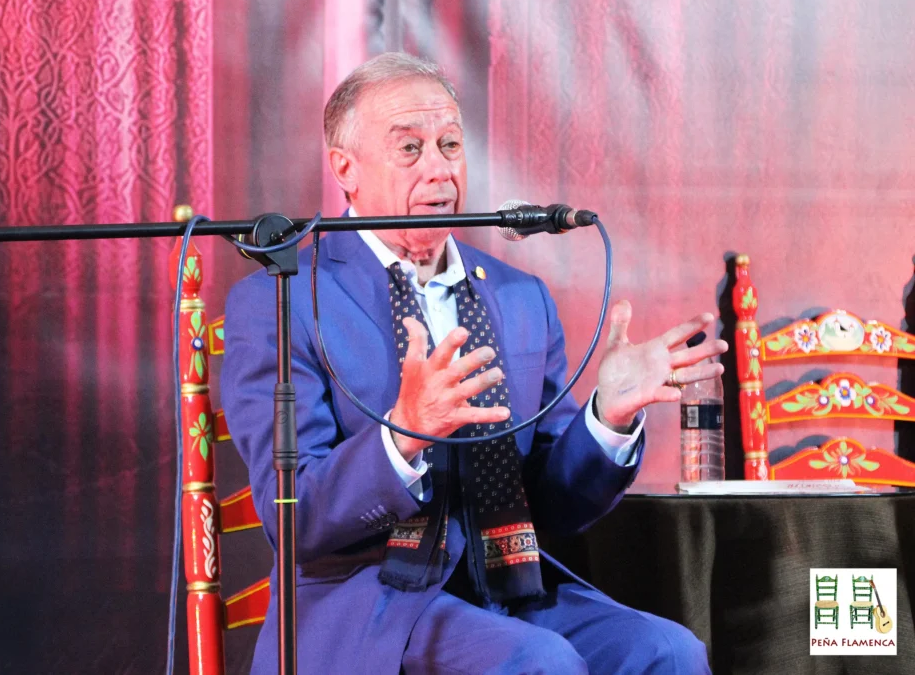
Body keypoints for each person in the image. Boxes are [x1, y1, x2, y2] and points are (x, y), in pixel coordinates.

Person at [221, 52, 724, 674]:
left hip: (506, 585)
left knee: (667, 652)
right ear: (344, 169)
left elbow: (555, 504)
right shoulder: (284, 300)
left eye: (450, 143)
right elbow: (291, 515)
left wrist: (606, 419)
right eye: (409, 148)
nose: (438, 168)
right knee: (538, 664)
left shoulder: (517, 297)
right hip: (367, 604)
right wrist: (401, 438)